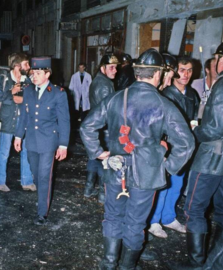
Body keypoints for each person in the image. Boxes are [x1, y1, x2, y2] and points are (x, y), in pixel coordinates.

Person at [81, 48, 195, 270]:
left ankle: (108, 263)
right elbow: (187, 143)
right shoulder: (164, 104)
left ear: (136, 73)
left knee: (113, 217)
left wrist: (98, 152)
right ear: (157, 75)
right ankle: (126, 267)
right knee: (135, 222)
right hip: (147, 173)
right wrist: (168, 167)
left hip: (115, 168)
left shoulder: (116, 97)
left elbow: (87, 127)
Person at [168, 37, 223, 270]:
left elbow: (215, 129)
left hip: (211, 159)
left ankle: (197, 263)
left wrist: (195, 129)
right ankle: (216, 260)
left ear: (220, 60)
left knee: (195, 210)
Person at [14, 56, 70, 225]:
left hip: (48, 141)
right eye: (33, 72)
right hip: (31, 140)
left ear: (47, 74)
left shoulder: (58, 94)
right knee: (36, 173)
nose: (34, 76)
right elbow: (24, 115)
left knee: (45, 176)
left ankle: (42, 212)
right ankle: (43, 194)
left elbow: (64, 120)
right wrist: (18, 136)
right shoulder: (29, 91)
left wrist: (63, 145)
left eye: (38, 73)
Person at [148, 56, 199, 239]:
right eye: (182, 70)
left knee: (177, 184)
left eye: (189, 70)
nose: (185, 74)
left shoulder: (192, 94)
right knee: (163, 184)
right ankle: (154, 221)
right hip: (168, 146)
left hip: (183, 147)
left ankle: (168, 217)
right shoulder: (165, 93)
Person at [0, 53, 35, 192]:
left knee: (26, 151)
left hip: (24, 121)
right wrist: (11, 92)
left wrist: (20, 98)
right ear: (17, 66)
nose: (28, 67)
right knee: (4, 152)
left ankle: (27, 181)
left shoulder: (28, 81)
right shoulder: (3, 79)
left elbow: (31, 99)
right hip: (7, 121)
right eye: (26, 64)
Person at [84, 54, 119, 202]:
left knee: (94, 158)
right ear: (103, 68)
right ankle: (103, 195)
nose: (115, 70)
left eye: (116, 67)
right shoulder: (104, 85)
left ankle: (88, 188)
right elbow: (109, 112)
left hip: (97, 128)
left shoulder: (98, 80)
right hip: (104, 128)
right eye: (112, 67)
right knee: (105, 161)